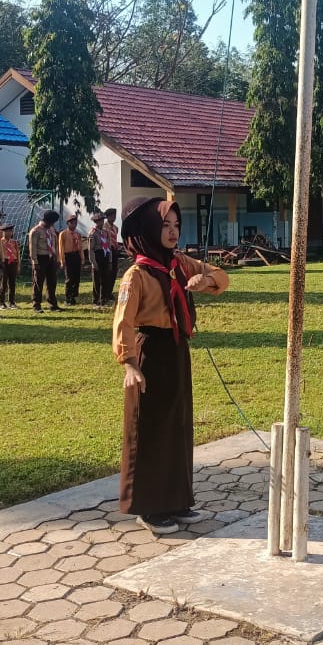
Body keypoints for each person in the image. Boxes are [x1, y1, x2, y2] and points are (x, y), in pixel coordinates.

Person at [113, 196, 230, 534]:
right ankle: (148, 507)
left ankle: (177, 500)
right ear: (150, 228)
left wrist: (204, 281)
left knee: (177, 425)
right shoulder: (137, 275)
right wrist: (129, 364)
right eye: (165, 225)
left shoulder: (178, 264)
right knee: (149, 430)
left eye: (176, 225)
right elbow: (123, 321)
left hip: (178, 350)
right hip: (150, 352)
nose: (173, 231)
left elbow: (222, 277)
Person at [29, 210, 62, 312]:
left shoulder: (51, 230)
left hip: (51, 258)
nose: (52, 224)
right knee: (38, 282)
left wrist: (56, 258)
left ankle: (53, 304)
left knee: (52, 282)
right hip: (40, 258)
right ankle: (36, 305)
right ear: (46, 221)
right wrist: (35, 262)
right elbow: (32, 248)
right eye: (51, 222)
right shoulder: (35, 231)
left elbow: (55, 244)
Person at [59, 214, 85, 306]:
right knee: (69, 278)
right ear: (68, 223)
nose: (74, 225)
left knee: (76, 278)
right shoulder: (63, 234)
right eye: (72, 223)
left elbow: (81, 247)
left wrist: (82, 259)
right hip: (68, 256)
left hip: (76, 256)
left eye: (75, 223)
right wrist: (62, 261)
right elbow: (61, 248)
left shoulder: (78, 234)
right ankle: (67, 297)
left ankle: (73, 297)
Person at [90, 212, 114, 306]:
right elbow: (91, 249)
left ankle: (103, 299)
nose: (101, 222)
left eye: (102, 220)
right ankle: (96, 300)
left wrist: (110, 260)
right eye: (99, 221)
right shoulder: (93, 233)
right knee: (97, 280)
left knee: (105, 279)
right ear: (96, 222)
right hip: (97, 255)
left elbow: (109, 246)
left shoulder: (105, 232)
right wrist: (93, 262)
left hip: (105, 256)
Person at [0, 224, 20, 310]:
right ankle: (2, 303)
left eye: (10, 231)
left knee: (12, 283)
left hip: (13, 262)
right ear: (2, 232)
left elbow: (17, 254)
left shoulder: (14, 242)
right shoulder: (0, 242)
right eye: (6, 231)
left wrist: (18, 265)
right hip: (4, 262)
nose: (9, 233)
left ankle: (12, 302)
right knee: (3, 283)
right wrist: (1, 263)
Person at [104, 207, 121, 302]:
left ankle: (110, 291)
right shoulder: (104, 227)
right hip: (107, 250)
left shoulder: (115, 228)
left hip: (114, 249)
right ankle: (106, 292)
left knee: (114, 271)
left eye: (114, 216)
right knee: (108, 271)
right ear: (108, 217)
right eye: (111, 216)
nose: (113, 218)